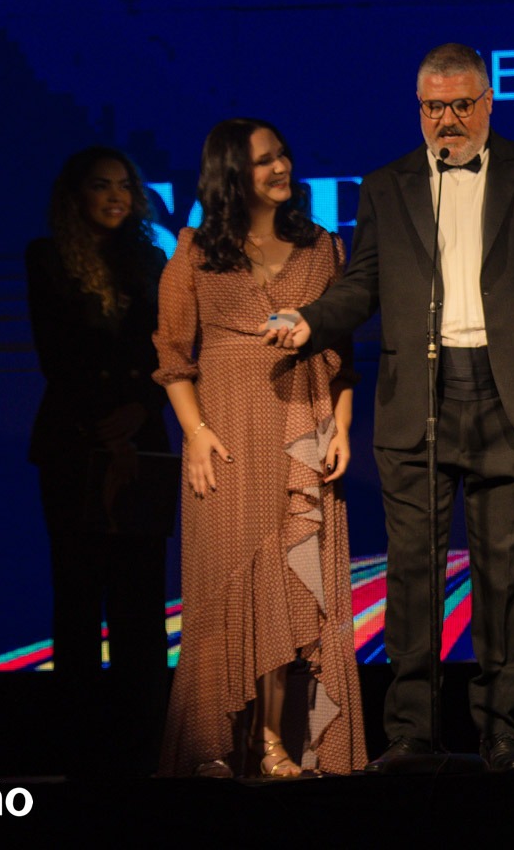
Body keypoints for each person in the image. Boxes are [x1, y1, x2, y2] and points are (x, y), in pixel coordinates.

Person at [274, 43, 514, 771]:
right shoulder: (387, 184)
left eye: (461, 105)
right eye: (434, 107)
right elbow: (362, 284)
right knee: (413, 574)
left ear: (488, 102)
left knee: (507, 576)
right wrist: (312, 321)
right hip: (418, 398)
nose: (447, 120)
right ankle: (412, 733)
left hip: (510, 394)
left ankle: (503, 732)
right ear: (418, 109)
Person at [153, 118, 366, 777]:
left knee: (288, 587)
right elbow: (171, 353)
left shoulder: (321, 247)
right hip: (227, 439)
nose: (281, 168)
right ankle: (212, 743)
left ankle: (274, 742)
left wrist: (342, 428)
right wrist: (195, 432)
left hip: (301, 434)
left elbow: (342, 354)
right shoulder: (194, 252)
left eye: (282, 155)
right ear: (230, 175)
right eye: (263, 161)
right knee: (224, 588)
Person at [26, 146, 170, 776]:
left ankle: (145, 749)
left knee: (140, 601)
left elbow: (167, 347)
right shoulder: (47, 257)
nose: (115, 196)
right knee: (78, 596)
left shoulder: (150, 259)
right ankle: (79, 752)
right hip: (74, 444)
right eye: (100, 185)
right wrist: (105, 429)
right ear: (75, 194)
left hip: (144, 440)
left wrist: (139, 410)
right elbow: (56, 353)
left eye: (123, 186)